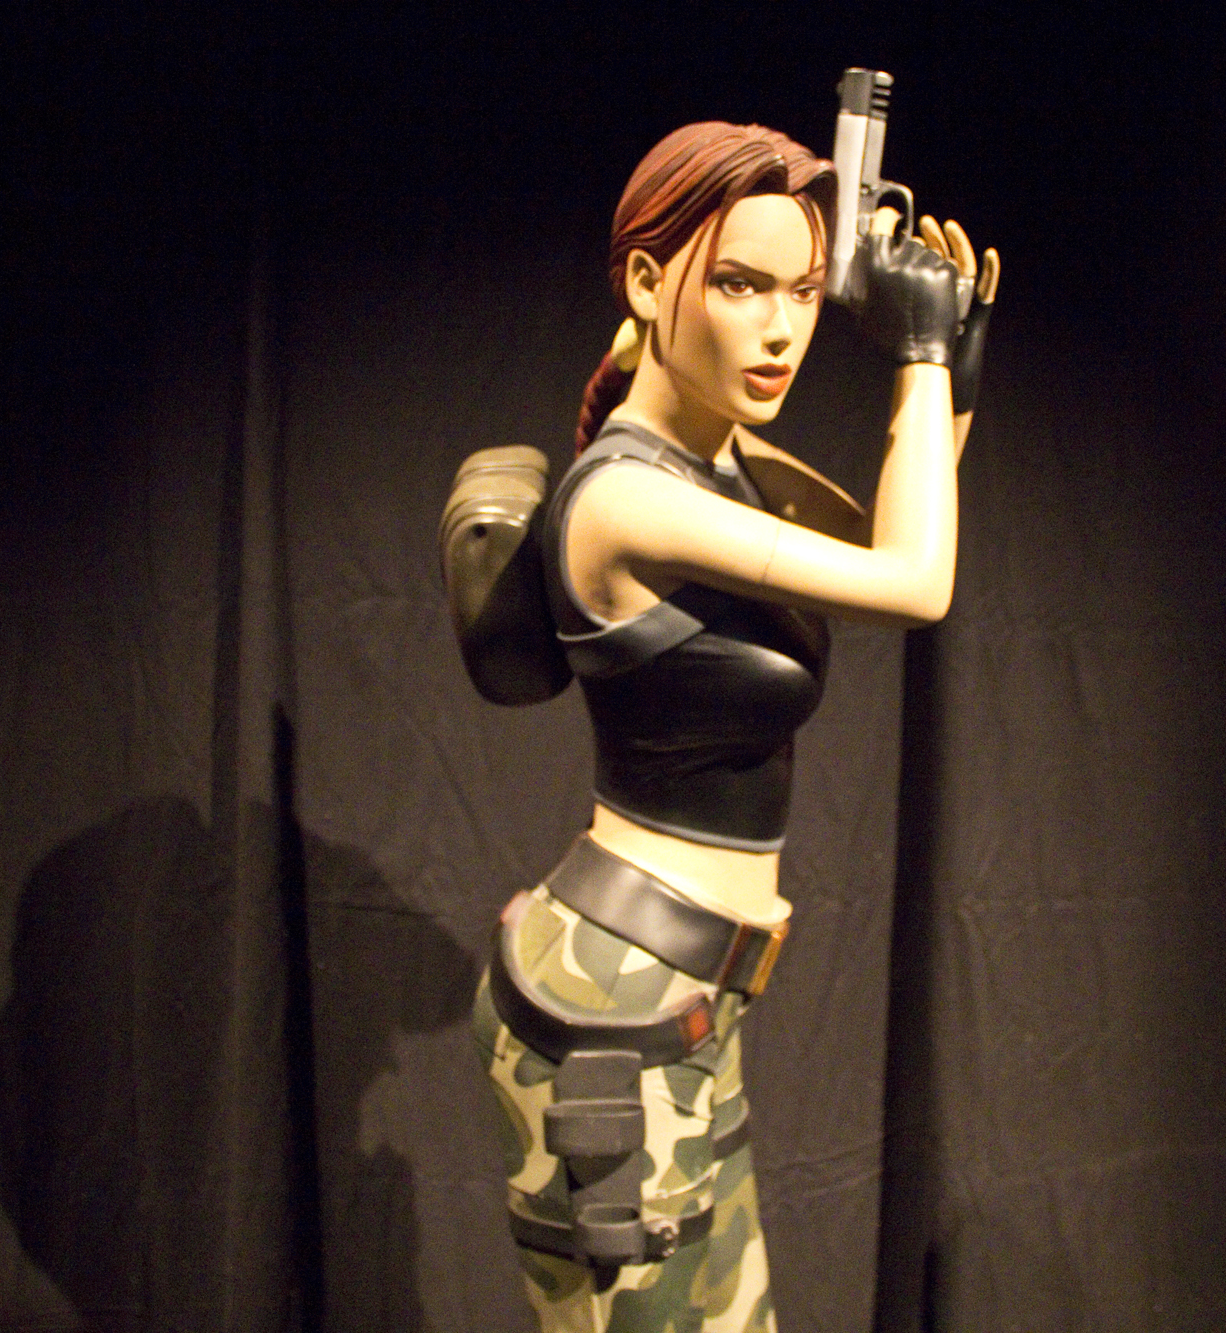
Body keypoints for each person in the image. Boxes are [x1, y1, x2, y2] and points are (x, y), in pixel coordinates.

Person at [471, 119, 999, 1332]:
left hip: (681, 1000)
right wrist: (917, 357)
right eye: (741, 284)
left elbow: (880, 538)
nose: (780, 328)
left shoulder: (719, 464)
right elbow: (913, 583)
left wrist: (948, 381)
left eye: (806, 292)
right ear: (646, 281)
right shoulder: (627, 497)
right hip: (614, 1009)